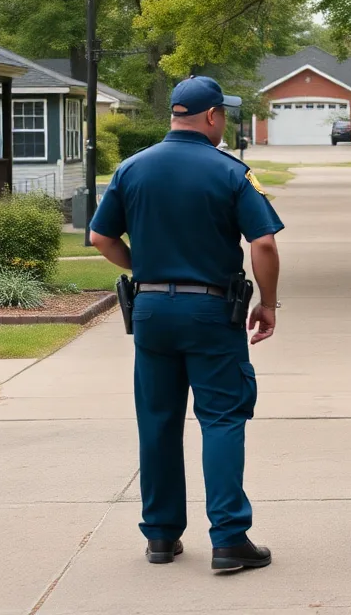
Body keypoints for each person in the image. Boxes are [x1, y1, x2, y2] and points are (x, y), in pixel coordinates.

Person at [89, 75, 283, 571]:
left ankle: (160, 536)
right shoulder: (231, 172)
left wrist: (144, 268)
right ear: (213, 116)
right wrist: (269, 303)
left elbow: (99, 237)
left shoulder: (132, 169)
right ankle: (228, 539)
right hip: (210, 312)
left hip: (151, 311)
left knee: (157, 422)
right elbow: (262, 243)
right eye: (225, 115)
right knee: (221, 418)